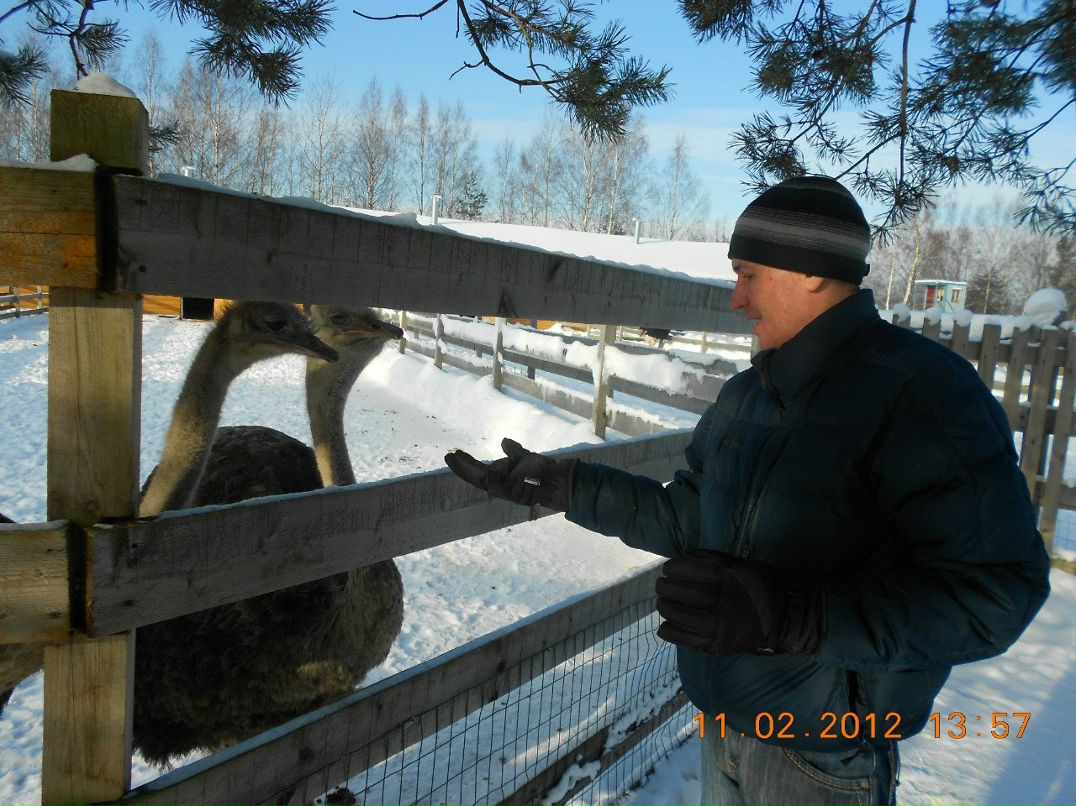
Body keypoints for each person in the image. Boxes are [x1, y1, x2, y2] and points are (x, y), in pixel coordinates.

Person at [444, 176, 1051, 806]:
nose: (736, 299)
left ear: (811, 272)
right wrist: (568, 485)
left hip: (823, 757)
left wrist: (795, 615)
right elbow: (690, 518)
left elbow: (997, 595)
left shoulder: (924, 394)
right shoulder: (748, 395)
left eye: (747, 274)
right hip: (726, 727)